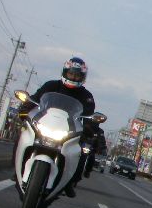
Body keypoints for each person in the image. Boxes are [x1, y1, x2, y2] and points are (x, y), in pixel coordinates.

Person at [16, 57, 96, 197]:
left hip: (69, 131)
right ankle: (16, 169)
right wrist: (25, 108)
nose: (73, 77)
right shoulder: (51, 86)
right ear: (65, 72)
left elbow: (90, 116)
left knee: (82, 151)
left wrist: (90, 127)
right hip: (45, 125)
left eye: (77, 75)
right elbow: (35, 99)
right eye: (71, 73)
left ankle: (70, 182)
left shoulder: (87, 96)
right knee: (22, 137)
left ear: (83, 77)